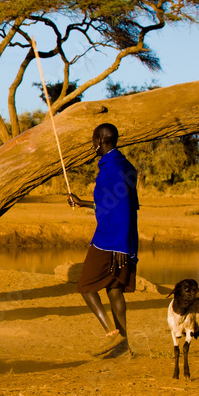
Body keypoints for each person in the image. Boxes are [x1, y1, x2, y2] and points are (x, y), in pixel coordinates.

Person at [67, 122, 139, 358]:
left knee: (86, 287)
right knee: (114, 290)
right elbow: (113, 202)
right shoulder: (123, 165)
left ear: (101, 141)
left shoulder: (112, 170)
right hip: (122, 239)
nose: (92, 145)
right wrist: (83, 202)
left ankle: (112, 335)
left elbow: (126, 207)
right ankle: (123, 347)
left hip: (110, 240)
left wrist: (120, 245)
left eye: (93, 140)